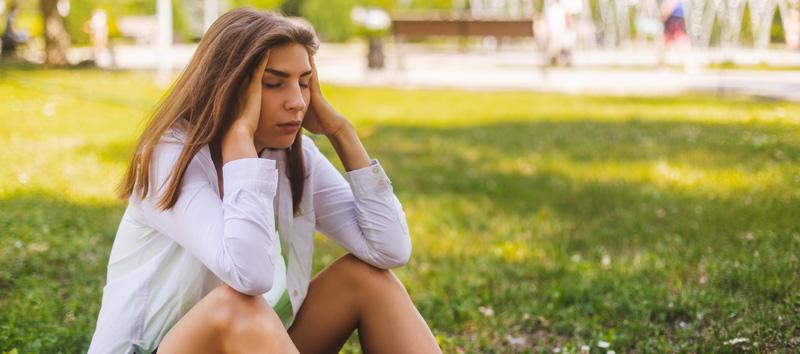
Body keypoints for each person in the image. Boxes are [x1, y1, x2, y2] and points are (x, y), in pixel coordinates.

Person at [87, 8, 441, 354]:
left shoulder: (291, 155)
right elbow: (249, 276)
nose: (298, 102)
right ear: (228, 87)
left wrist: (341, 131)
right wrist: (240, 140)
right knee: (238, 304)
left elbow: (389, 249)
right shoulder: (169, 156)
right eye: (273, 84)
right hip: (156, 347)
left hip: (254, 342)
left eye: (304, 83)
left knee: (367, 279)